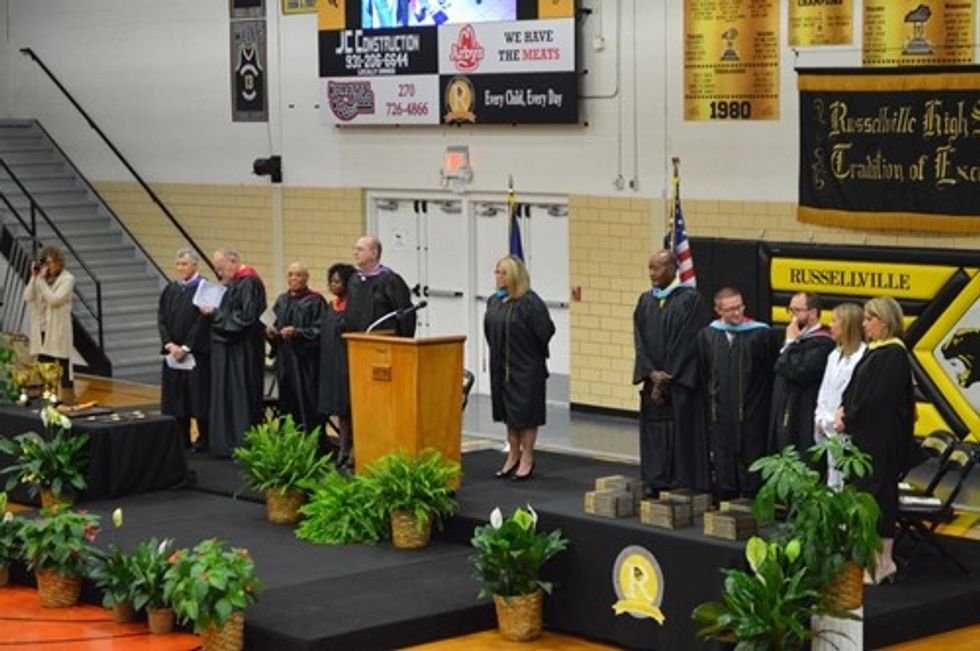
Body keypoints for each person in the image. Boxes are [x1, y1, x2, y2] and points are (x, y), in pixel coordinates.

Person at [836, 296, 915, 585]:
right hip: (864, 438)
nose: (865, 324)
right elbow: (854, 389)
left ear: (885, 322)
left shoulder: (894, 355)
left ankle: (884, 561)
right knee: (863, 494)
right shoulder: (874, 352)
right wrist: (843, 408)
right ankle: (867, 557)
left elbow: (878, 399)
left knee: (879, 496)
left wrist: (850, 414)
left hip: (881, 439)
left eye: (870, 319)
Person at [632, 250, 711, 493]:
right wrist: (651, 373)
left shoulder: (691, 300)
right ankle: (655, 481)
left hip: (679, 385)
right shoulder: (645, 301)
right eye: (650, 268)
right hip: (653, 382)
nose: (651, 274)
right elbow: (639, 342)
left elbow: (687, 343)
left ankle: (681, 483)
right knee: (654, 434)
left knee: (681, 434)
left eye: (656, 268)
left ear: (671, 269)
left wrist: (664, 379)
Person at [697, 287, 774, 498]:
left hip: (752, 412)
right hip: (720, 412)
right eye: (730, 309)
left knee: (751, 455)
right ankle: (726, 495)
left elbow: (770, 372)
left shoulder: (760, 334)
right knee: (723, 455)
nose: (737, 313)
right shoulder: (708, 335)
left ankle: (751, 496)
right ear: (718, 310)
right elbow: (704, 372)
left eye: (739, 307)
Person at [484, 256, 555, 481]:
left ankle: (527, 457)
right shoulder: (494, 301)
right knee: (509, 414)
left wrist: (528, 353)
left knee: (526, 414)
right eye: (497, 272)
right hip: (501, 366)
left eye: (503, 272)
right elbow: (489, 331)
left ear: (514, 276)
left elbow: (545, 331)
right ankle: (513, 454)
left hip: (526, 368)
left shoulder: (530, 303)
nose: (498, 276)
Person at [201, 249, 267, 458]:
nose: (220, 274)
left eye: (221, 268)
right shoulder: (235, 283)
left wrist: (216, 313)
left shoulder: (249, 283)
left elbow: (245, 318)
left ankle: (239, 442)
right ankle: (225, 442)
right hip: (229, 349)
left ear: (233, 261)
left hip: (242, 351)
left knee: (239, 396)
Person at [768, 292, 835, 460]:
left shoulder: (823, 343)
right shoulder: (798, 337)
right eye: (790, 310)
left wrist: (791, 343)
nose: (792, 316)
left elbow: (798, 370)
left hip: (804, 410)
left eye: (797, 311)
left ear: (813, 312)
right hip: (785, 406)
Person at [158, 248, 212, 451]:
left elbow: (203, 322)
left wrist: (187, 347)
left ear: (195, 265)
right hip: (173, 354)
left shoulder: (204, 288)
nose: (180, 268)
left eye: (185, 264)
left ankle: (204, 439)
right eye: (178, 264)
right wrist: (169, 344)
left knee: (199, 398)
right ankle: (181, 439)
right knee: (176, 399)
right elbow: (161, 318)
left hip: (196, 354)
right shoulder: (171, 289)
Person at [268, 262, 327, 436]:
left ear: (307, 278)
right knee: (286, 401)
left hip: (305, 363)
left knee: (306, 402)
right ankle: (287, 438)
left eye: (298, 275)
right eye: (290, 274)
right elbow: (267, 321)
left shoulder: (316, 301)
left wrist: (298, 332)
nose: (294, 278)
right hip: (285, 360)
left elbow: (321, 331)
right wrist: (269, 331)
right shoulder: (281, 299)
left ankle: (310, 440)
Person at [814, 303, 866, 489]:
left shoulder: (862, 357)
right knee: (832, 477)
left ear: (848, 326)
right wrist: (820, 418)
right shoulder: (834, 355)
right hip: (827, 428)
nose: (830, 325)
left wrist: (834, 421)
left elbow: (851, 395)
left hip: (845, 428)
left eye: (835, 321)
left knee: (845, 479)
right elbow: (825, 391)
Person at [23, 245, 75, 402]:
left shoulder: (67, 279)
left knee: (62, 365)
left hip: (58, 329)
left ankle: (67, 400)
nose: (48, 266)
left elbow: (54, 300)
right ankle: (46, 399)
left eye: (50, 262)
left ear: (59, 263)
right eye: (45, 262)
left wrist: (40, 281)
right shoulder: (41, 279)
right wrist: (34, 277)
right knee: (44, 365)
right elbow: (27, 296)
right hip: (42, 328)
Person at [318, 263, 356, 466]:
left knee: (352, 409)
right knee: (341, 410)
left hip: (349, 364)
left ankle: (355, 451)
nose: (332, 285)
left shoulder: (355, 308)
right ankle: (343, 450)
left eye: (337, 281)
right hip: (332, 363)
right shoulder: (330, 306)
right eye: (330, 281)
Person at [345, 235, 416, 337]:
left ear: (374, 254)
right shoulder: (354, 279)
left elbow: (406, 315)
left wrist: (404, 341)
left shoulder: (390, 281)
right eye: (355, 249)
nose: (355, 253)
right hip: (357, 340)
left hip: (383, 340)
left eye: (360, 249)